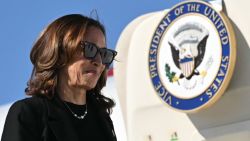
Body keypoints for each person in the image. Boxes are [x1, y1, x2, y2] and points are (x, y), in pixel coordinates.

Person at [1, 14, 117, 141]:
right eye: (90, 49)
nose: (99, 61)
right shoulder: (28, 113)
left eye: (104, 54)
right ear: (60, 53)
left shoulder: (102, 121)